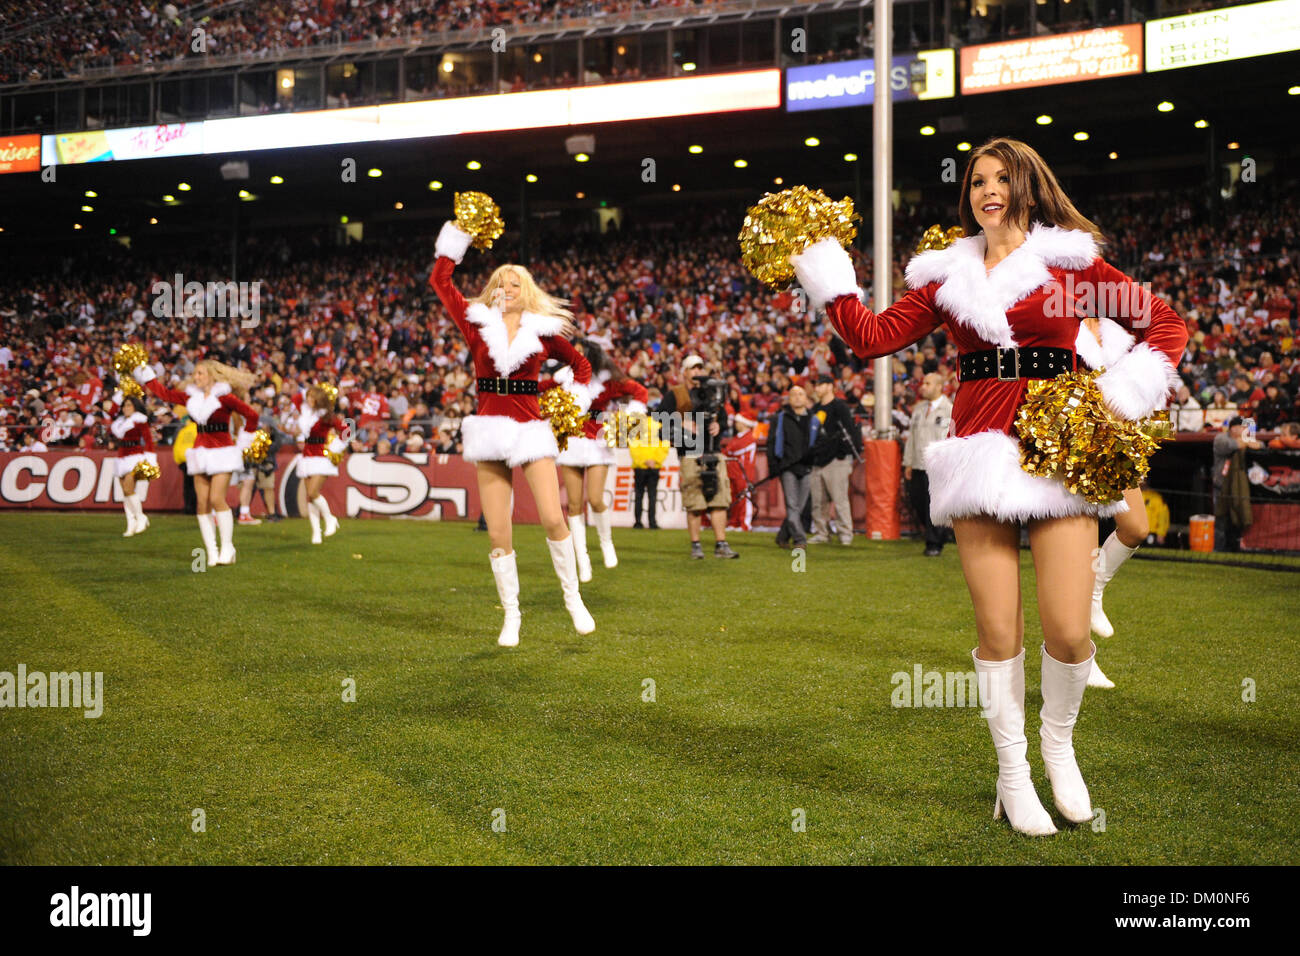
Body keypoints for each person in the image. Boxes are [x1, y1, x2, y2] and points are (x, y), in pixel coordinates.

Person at [788, 137, 1187, 835]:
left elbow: (1165, 325)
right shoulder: (947, 275)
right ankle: (1012, 773)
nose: (988, 190)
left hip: (1058, 456)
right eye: (977, 181)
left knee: (1066, 630)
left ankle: (1058, 744)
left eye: (1002, 178)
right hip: (978, 455)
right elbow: (874, 337)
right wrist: (830, 279)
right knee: (998, 629)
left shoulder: (1071, 263)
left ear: (1028, 185)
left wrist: (1115, 398)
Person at [429, 217, 596, 646]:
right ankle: (512, 615)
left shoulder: (544, 333)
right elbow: (439, 280)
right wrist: (459, 237)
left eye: (514, 283)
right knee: (499, 531)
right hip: (489, 431)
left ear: (527, 290)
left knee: (552, 516)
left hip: (530, 430)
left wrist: (569, 402)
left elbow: (582, 367)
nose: (505, 288)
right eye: (499, 282)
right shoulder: (475, 323)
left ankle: (573, 598)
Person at [1074, 314, 1151, 689]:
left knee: (1136, 526)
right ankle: (1080, 657)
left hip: (1112, 436)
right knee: (1076, 552)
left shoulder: (1113, 324)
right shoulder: (1052, 310)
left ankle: (1094, 592)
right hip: (1069, 435)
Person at [134, 358, 260, 566]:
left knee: (217, 499)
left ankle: (227, 547)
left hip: (222, 453)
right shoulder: (191, 398)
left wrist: (245, 441)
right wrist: (146, 375)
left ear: (212, 375)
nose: (196, 377)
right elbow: (165, 394)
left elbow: (252, 416)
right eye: (196, 374)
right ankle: (211, 551)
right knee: (202, 503)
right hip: (200, 453)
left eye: (200, 373)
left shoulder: (225, 398)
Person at [551, 340, 649, 580]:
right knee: (573, 505)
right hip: (571, 440)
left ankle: (606, 543)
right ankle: (582, 559)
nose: (575, 355)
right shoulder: (563, 378)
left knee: (595, 499)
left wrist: (630, 418)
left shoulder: (608, 381)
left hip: (598, 441)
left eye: (580, 352)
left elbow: (640, 392)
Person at [657, 355, 739, 559]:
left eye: (700, 368)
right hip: (689, 452)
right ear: (684, 372)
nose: (697, 372)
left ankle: (721, 543)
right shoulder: (675, 394)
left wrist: (719, 426)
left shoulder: (714, 392)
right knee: (695, 501)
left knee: (719, 499)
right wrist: (681, 423)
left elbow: (723, 418)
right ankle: (696, 545)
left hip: (713, 450)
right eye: (693, 368)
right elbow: (659, 421)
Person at [902, 372, 952, 556]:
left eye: (928, 383)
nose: (923, 386)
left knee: (933, 504)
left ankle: (934, 543)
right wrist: (907, 463)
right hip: (917, 463)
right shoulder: (918, 409)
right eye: (924, 382)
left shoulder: (948, 409)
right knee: (917, 500)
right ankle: (937, 534)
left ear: (939, 386)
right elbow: (911, 438)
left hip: (936, 466)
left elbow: (950, 439)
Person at [291, 384, 347, 545]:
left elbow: (347, 430)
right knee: (310, 496)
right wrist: (309, 390)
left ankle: (330, 518)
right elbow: (295, 397)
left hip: (321, 458)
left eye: (312, 397)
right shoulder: (305, 412)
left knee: (313, 491)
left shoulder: (326, 416)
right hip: (306, 457)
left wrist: (336, 446)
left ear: (319, 399)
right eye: (308, 397)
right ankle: (316, 532)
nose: (308, 400)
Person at [810, 375, 862, 545]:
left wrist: (843, 455)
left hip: (836, 461)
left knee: (840, 501)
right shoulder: (816, 408)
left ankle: (845, 533)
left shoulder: (840, 406)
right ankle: (821, 532)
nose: (816, 388)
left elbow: (851, 432)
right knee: (818, 501)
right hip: (818, 460)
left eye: (820, 385)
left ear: (830, 386)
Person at [766, 383, 818, 549]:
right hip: (787, 467)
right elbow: (772, 443)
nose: (797, 397)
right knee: (793, 505)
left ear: (806, 399)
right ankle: (800, 540)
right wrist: (775, 465)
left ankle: (782, 536)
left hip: (806, 467)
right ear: (788, 399)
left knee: (798, 507)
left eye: (800, 394)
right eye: (794, 394)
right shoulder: (779, 418)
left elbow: (818, 444)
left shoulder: (814, 420)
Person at [104, 387, 157, 537]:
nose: (126, 408)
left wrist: (150, 460)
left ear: (135, 407)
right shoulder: (119, 422)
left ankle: (141, 517)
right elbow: (110, 410)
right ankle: (131, 523)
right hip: (121, 456)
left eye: (129, 405)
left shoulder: (140, 420)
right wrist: (119, 392)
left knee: (128, 489)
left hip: (135, 456)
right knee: (125, 494)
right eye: (125, 405)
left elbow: (148, 440)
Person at [1213, 416, 1261, 552]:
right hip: (1221, 485)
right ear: (1233, 428)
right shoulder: (1220, 438)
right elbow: (1233, 445)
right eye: (1242, 427)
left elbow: (1260, 445)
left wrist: (1247, 441)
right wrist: (1246, 442)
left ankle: (1234, 548)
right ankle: (1218, 549)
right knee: (1221, 518)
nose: (1244, 430)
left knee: (1237, 516)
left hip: (1236, 486)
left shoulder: (1244, 438)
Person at [629, 396, 670, 529]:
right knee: (652, 495)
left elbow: (633, 446)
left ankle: (638, 522)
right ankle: (652, 522)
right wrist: (655, 460)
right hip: (654, 466)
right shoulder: (660, 426)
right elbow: (665, 446)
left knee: (639, 495)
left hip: (640, 466)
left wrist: (642, 460)